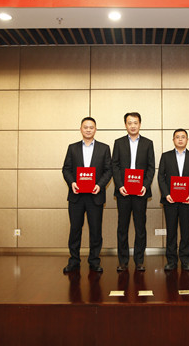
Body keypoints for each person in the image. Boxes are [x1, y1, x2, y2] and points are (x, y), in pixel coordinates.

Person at [61, 117, 112, 274]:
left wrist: (99, 185)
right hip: (76, 196)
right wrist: (72, 183)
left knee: (95, 230)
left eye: (91, 127)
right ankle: (74, 260)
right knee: (75, 229)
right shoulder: (72, 148)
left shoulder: (104, 148)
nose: (88, 130)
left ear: (95, 129)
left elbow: (108, 170)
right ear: (81, 129)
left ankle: (94, 261)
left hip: (95, 196)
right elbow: (66, 169)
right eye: (85, 127)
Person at [112, 112, 155, 272]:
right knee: (122, 227)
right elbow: (114, 165)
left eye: (135, 122)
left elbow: (151, 167)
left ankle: (139, 261)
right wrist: (119, 185)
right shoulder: (119, 143)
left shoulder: (148, 143)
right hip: (123, 192)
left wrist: (145, 185)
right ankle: (123, 261)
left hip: (140, 192)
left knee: (140, 227)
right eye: (129, 123)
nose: (132, 126)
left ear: (140, 124)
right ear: (125, 125)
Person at [157, 129, 189, 271]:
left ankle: (185, 260)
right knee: (171, 232)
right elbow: (161, 177)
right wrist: (166, 194)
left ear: (187, 140)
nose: (180, 139)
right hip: (170, 200)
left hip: (187, 200)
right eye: (177, 137)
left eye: (183, 137)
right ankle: (171, 261)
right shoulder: (166, 156)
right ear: (173, 140)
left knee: (186, 232)